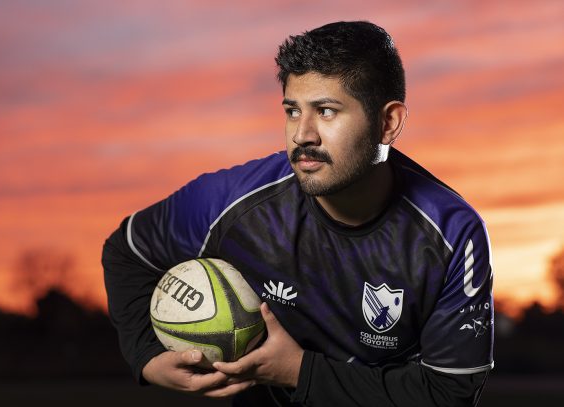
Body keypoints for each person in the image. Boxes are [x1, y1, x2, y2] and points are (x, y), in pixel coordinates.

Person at [102, 21, 494, 406]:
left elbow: (449, 393)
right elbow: (126, 251)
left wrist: (299, 372)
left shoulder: (451, 233)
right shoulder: (230, 199)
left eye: (326, 111)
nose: (302, 134)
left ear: (387, 122)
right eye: (292, 111)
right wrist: (146, 354)